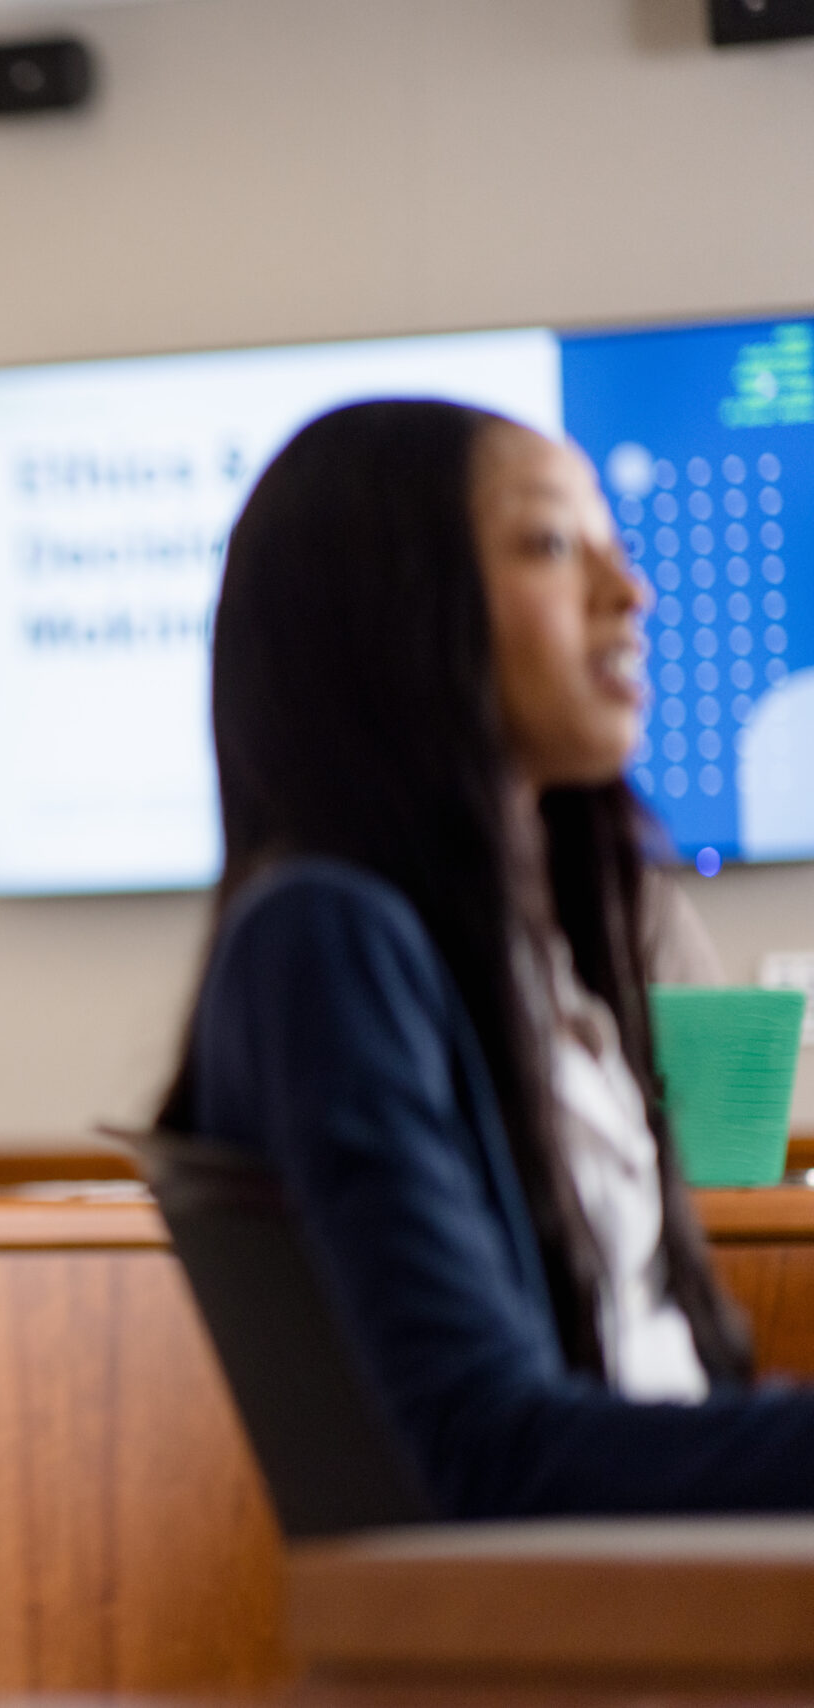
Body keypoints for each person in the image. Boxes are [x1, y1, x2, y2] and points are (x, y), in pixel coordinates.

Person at [162, 399, 814, 1517]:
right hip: (595, 1624)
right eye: (552, 545)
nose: (630, 593)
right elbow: (487, 1450)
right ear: (392, 613)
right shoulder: (322, 936)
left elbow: (652, 1368)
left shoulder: (544, 952)